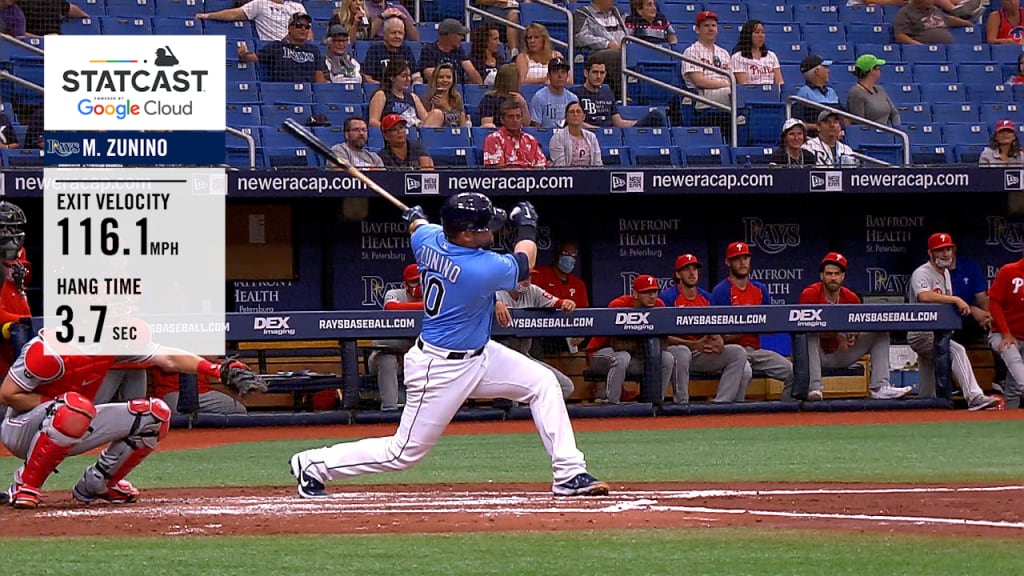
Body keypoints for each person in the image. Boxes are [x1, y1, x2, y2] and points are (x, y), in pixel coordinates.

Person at [289, 194, 610, 498]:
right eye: (484, 227)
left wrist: (415, 219)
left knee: (543, 383)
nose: (490, 231)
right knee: (403, 452)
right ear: (465, 235)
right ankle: (312, 464)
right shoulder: (479, 268)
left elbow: (417, 226)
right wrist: (527, 225)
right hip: (440, 367)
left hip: (482, 353)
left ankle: (569, 473)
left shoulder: (426, 239)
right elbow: (525, 262)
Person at [0, 333, 263, 509]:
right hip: (22, 429)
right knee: (74, 408)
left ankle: (98, 483)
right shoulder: (49, 348)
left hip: (76, 417)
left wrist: (216, 369)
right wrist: (59, 405)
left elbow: (168, 357)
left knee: (155, 415)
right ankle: (26, 483)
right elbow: (8, 394)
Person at [800, 252, 913, 401]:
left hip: (841, 353)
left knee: (880, 332)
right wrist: (836, 334)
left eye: (837, 273)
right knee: (809, 335)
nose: (833, 277)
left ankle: (880, 387)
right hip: (816, 355)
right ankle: (814, 389)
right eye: (828, 273)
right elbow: (803, 327)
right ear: (821, 276)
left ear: (843, 276)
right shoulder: (810, 294)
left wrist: (853, 335)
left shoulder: (851, 297)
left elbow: (857, 325)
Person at [906, 233, 1000, 410]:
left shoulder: (946, 274)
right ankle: (974, 396)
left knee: (929, 380)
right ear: (930, 253)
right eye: (940, 250)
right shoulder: (922, 272)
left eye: (948, 249)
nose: (946, 254)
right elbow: (924, 296)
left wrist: (970, 309)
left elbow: (946, 303)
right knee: (956, 350)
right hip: (921, 333)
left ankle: (924, 408)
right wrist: (956, 299)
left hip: (938, 331)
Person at [710, 242, 796, 401]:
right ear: (728, 263)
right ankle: (736, 415)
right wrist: (744, 327)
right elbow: (719, 335)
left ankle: (785, 413)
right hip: (732, 352)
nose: (742, 263)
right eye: (737, 259)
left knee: (793, 372)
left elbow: (771, 326)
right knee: (745, 371)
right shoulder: (721, 291)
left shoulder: (759, 289)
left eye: (745, 258)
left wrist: (753, 323)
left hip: (756, 350)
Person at [665, 254, 752, 404]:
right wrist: (693, 344)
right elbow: (663, 337)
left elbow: (715, 325)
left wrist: (718, 339)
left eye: (695, 269)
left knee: (737, 352)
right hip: (678, 352)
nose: (692, 273)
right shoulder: (668, 297)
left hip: (701, 353)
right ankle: (682, 404)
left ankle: (722, 403)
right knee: (683, 353)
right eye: (686, 269)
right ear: (678, 274)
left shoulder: (706, 297)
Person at [585, 275, 675, 404]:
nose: (652, 296)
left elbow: (663, 342)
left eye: (654, 291)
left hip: (634, 357)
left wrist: (638, 347)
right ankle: (611, 403)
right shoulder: (619, 305)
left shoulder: (659, 306)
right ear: (635, 294)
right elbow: (616, 344)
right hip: (598, 355)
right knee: (622, 357)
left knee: (667, 358)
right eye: (646, 292)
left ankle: (655, 402)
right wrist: (642, 346)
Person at [494, 271, 577, 399]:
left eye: (529, 277)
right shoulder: (495, 294)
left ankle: (532, 413)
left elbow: (557, 303)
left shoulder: (533, 291)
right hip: (499, 362)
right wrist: (493, 304)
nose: (526, 281)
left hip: (524, 358)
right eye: (522, 278)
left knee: (565, 387)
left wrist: (567, 303)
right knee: (511, 399)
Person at [367, 263, 424, 411]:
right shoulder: (395, 294)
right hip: (385, 354)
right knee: (387, 361)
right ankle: (389, 410)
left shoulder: (435, 294)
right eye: (414, 281)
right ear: (405, 284)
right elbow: (391, 307)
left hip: (414, 359)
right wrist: (427, 306)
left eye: (422, 279)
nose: (419, 285)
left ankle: (427, 410)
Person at [572, 58, 667, 128]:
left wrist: (638, 124)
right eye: (595, 72)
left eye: (602, 73)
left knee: (656, 115)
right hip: (590, 135)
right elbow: (574, 122)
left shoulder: (607, 92)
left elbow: (617, 121)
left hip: (612, 134)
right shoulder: (576, 93)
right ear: (586, 73)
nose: (599, 76)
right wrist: (598, 130)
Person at [237, 13, 327, 84]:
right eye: (299, 26)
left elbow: (319, 79)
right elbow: (252, 58)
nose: (303, 29)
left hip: (306, 96)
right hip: (283, 93)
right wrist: (243, 54)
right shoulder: (276, 47)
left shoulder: (314, 50)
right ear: (289, 28)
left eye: (307, 27)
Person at [681, 11, 733, 133]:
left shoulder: (723, 53)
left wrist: (729, 85)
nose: (711, 29)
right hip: (702, 96)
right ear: (697, 29)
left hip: (725, 93)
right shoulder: (691, 51)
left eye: (713, 26)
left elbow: (732, 78)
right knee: (735, 94)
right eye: (706, 26)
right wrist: (726, 85)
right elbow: (699, 81)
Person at [986, 254, 1024, 409]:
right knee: (1012, 354)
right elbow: (994, 303)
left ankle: (1011, 415)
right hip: (1002, 334)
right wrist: (1006, 333)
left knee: (1013, 385)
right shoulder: (1009, 271)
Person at [0, 202, 30, 380]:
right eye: (4, 228)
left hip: (12, 322)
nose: (9, 233)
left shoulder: (19, 253)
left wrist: (25, 321)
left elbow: (18, 292)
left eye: (11, 228)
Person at [574, 0, 627, 95]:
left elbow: (626, 33)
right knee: (616, 56)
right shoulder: (582, 13)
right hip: (595, 52)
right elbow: (580, 37)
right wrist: (607, 44)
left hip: (621, 49)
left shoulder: (618, 13)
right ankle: (621, 96)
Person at [197, 0, 309, 42]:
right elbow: (233, 14)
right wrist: (208, 15)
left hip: (300, 46)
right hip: (276, 49)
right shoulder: (259, 4)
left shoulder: (297, 7)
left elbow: (308, 30)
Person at [483, 100, 548, 168]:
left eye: (518, 116)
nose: (515, 120)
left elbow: (541, 166)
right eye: (510, 116)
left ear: (522, 119)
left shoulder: (530, 140)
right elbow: (495, 171)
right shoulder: (493, 139)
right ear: (502, 120)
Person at [367, 58, 429, 128]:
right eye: (403, 76)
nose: (408, 79)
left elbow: (427, 120)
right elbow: (373, 122)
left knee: (437, 114)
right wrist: (391, 129)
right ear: (392, 78)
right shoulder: (381, 95)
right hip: (392, 133)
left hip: (413, 130)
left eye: (409, 76)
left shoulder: (413, 97)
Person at [420, 19, 483, 86]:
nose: (462, 38)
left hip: (458, 92)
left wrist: (473, 75)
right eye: (459, 34)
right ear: (450, 35)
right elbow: (430, 76)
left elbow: (474, 75)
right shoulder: (429, 50)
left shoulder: (459, 51)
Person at [847, 54, 900, 126]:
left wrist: (897, 129)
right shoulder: (856, 93)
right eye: (878, 68)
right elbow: (859, 123)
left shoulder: (880, 89)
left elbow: (894, 113)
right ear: (871, 70)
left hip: (888, 132)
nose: (880, 70)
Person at [361, 17, 418, 83]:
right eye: (393, 33)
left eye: (400, 33)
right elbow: (367, 78)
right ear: (384, 35)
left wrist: (416, 82)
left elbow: (415, 75)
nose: (397, 36)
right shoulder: (375, 50)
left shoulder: (406, 50)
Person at [533, 241, 590, 308]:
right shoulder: (539, 275)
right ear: (555, 256)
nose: (570, 258)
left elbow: (584, 312)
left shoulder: (579, 284)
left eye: (573, 254)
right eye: (565, 253)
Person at [794, 54, 840, 132]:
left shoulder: (831, 92)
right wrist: (822, 128)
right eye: (825, 67)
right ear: (817, 71)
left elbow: (842, 117)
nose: (828, 71)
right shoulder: (804, 93)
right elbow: (798, 123)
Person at [730, 19, 783, 87]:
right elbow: (744, 86)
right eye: (757, 32)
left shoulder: (771, 56)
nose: (761, 36)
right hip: (752, 95)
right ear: (748, 35)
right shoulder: (737, 58)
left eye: (763, 32)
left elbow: (780, 82)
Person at [893, 0, 973, 45]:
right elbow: (900, 36)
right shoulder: (905, 12)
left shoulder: (934, 9)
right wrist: (919, 46)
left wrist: (967, 23)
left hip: (946, 50)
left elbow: (947, 19)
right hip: (926, 52)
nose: (932, 1)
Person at [529, 57, 579, 128]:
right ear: (548, 75)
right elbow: (536, 128)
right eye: (556, 72)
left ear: (567, 76)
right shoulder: (539, 97)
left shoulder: (573, 99)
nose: (560, 76)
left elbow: (576, 126)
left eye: (563, 72)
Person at [550, 101, 603, 167]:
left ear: (583, 117)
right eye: (572, 112)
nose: (575, 114)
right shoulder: (558, 137)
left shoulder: (592, 137)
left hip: (590, 175)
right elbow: (560, 166)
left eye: (578, 111)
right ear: (566, 117)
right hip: (568, 175)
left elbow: (598, 163)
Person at [479, 63, 532, 128]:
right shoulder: (489, 99)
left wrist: (523, 104)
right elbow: (487, 125)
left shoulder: (518, 98)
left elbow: (526, 124)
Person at [424, 63, 469, 128]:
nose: (445, 80)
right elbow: (426, 123)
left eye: (448, 77)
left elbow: (463, 124)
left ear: (453, 80)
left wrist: (444, 106)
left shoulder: (456, 97)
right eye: (441, 77)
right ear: (435, 79)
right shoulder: (428, 98)